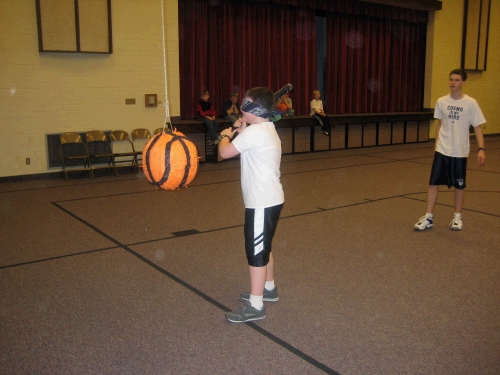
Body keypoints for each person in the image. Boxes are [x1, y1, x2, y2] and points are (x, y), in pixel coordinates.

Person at [218, 87, 284, 323]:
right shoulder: (265, 129)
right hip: (271, 199)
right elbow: (250, 143)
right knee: (264, 245)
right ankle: (269, 288)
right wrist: (243, 129)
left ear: (256, 109)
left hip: (261, 201)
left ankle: (256, 306)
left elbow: (224, 153)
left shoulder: (255, 133)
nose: (241, 108)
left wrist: (226, 134)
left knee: (256, 252)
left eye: (246, 104)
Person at [414, 69, 486, 231]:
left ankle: (457, 216)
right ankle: (428, 217)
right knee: (433, 183)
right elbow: (439, 124)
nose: (453, 82)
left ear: (464, 83)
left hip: (459, 151)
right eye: (451, 79)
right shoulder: (441, 102)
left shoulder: (470, 103)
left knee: (459, 186)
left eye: (457, 80)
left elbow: (478, 127)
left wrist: (481, 149)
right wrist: (436, 146)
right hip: (442, 149)